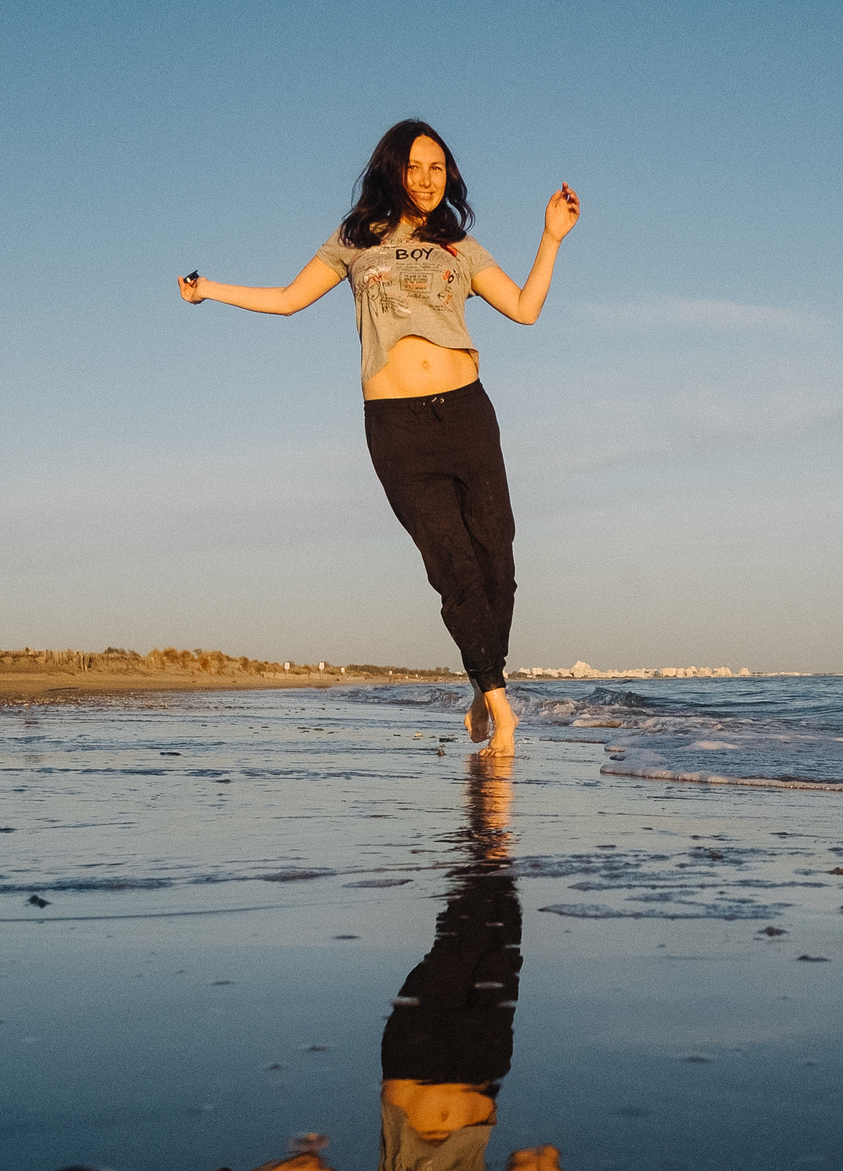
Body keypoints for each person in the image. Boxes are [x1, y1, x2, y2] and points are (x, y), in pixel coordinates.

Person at [179, 119, 579, 753]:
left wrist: (551, 237)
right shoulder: (355, 240)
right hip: (396, 427)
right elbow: (287, 299)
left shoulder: (459, 246)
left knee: (497, 559)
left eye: (437, 169)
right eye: (415, 167)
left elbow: (526, 309)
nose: (426, 180)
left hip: (469, 415)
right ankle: (503, 708)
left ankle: (482, 685)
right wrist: (210, 291)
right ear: (393, 169)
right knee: (451, 565)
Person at [209, 754, 596, 1171]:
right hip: (481, 1062)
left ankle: (485, 806)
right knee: (504, 922)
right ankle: (489, 809)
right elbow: (538, 1160)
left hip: (412, 1058)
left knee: (462, 931)